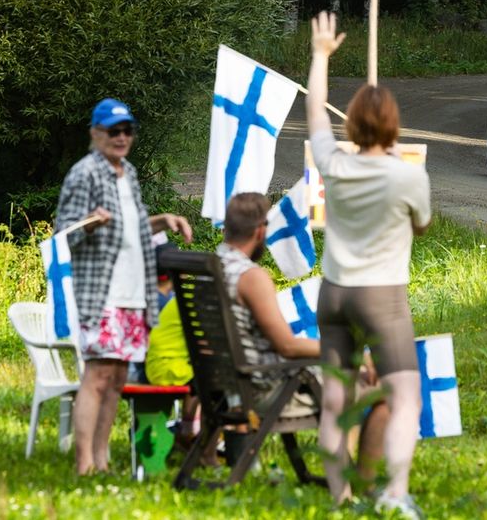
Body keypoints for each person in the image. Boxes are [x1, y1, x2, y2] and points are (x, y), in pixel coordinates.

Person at [146, 192, 389, 477]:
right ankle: (364, 485)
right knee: (384, 389)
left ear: (227, 228)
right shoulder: (251, 278)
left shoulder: (204, 270)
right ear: (261, 231)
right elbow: (287, 346)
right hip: (261, 390)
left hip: (220, 388)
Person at [306, 12, 432, 518]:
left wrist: (320, 56)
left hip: (334, 292)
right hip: (382, 299)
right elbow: (421, 226)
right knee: (405, 399)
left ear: (352, 124)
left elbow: (315, 113)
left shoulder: (333, 163)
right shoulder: (407, 177)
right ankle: (396, 494)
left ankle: (339, 498)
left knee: (335, 402)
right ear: (393, 126)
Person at [55, 98, 193, 475]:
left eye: (126, 130)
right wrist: (88, 223)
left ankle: (102, 459)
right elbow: (62, 236)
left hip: (135, 294)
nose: (121, 137)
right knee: (98, 374)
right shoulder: (85, 173)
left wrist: (163, 220)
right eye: (113, 131)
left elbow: (130, 229)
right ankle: (84, 462)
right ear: (95, 134)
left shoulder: (127, 173)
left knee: (117, 378)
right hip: (102, 294)